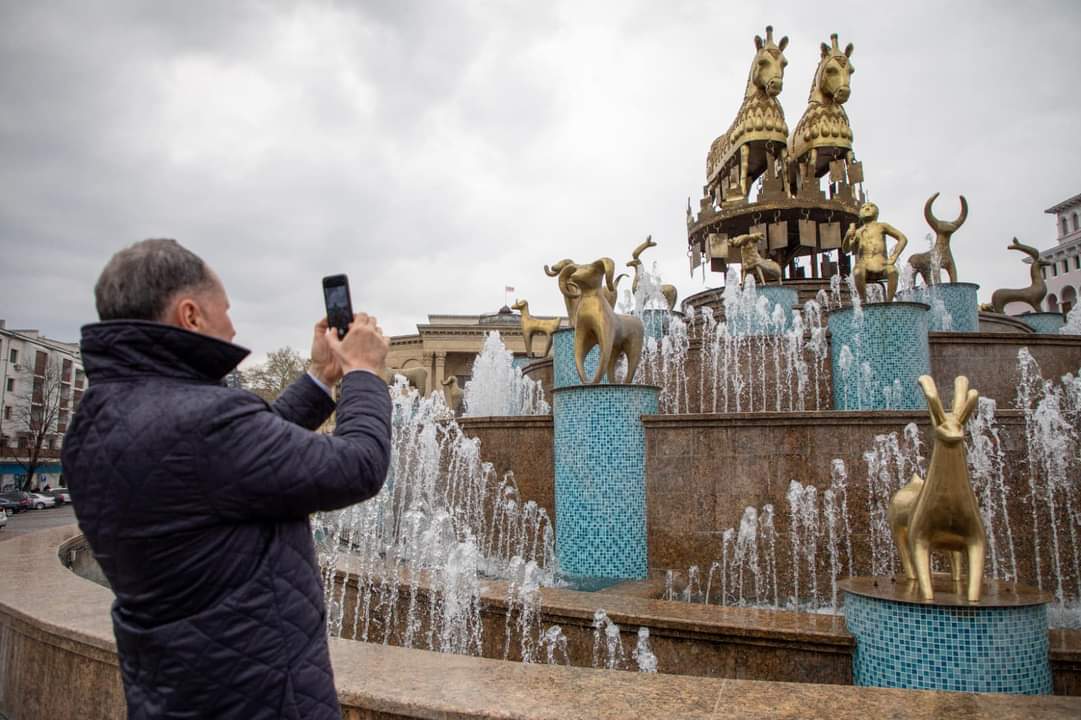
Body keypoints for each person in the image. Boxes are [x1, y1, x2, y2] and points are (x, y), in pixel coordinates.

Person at [62, 238, 392, 720]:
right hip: (256, 696)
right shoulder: (202, 423)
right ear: (191, 315)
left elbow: (241, 461)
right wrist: (363, 372)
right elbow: (360, 464)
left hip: (173, 689)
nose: (234, 326)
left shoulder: (94, 422)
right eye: (226, 310)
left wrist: (323, 376)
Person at [842, 201, 908, 303]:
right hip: (864, 264)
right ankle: (863, 301)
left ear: (877, 212)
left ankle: (889, 302)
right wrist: (847, 236)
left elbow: (902, 238)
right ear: (859, 214)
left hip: (881, 263)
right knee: (858, 271)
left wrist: (894, 256)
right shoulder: (858, 232)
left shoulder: (882, 226)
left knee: (893, 271)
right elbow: (846, 250)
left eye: (871, 206)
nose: (867, 208)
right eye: (864, 207)